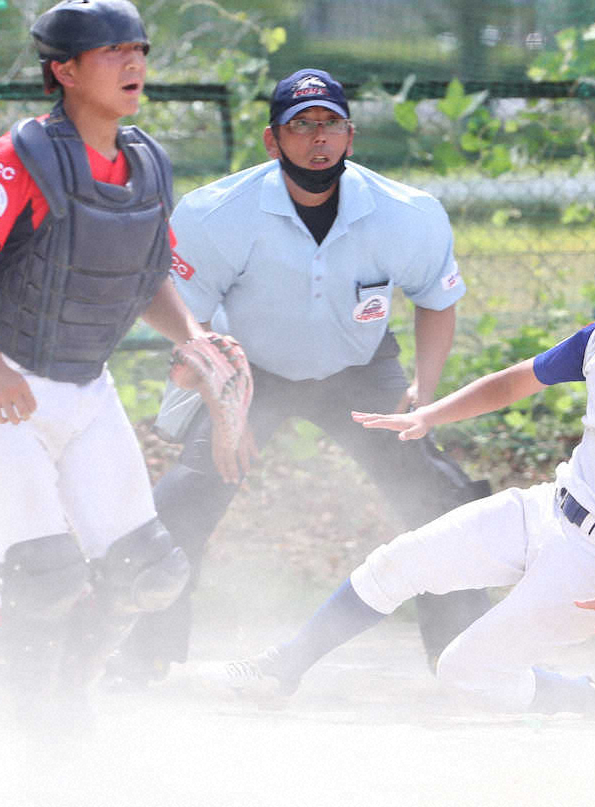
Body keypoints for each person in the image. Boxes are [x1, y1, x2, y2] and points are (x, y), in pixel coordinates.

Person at [225, 212, 595, 717]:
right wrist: (431, 414)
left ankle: (593, 698)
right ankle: (284, 667)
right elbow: (515, 381)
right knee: (395, 563)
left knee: (464, 672)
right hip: (549, 508)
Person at [112, 67, 492, 685]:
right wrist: (224, 403)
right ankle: (145, 658)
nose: (318, 138)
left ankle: (463, 664)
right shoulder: (216, 214)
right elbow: (186, 322)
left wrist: (424, 391)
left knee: (437, 500)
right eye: (302, 125)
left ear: (350, 135)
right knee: (184, 499)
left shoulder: (407, 214)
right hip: (249, 372)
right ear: (272, 140)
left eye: (331, 124)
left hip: (360, 371)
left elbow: (436, 298)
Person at [0, 0, 247, 730]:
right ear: (63, 71)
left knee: (151, 571)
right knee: (46, 574)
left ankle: (67, 689)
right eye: (110, 52)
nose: (132, 62)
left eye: (138, 47)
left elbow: (145, 273)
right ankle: (22, 710)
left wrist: (192, 334)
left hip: (84, 385)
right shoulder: (20, 158)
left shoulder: (145, 163)